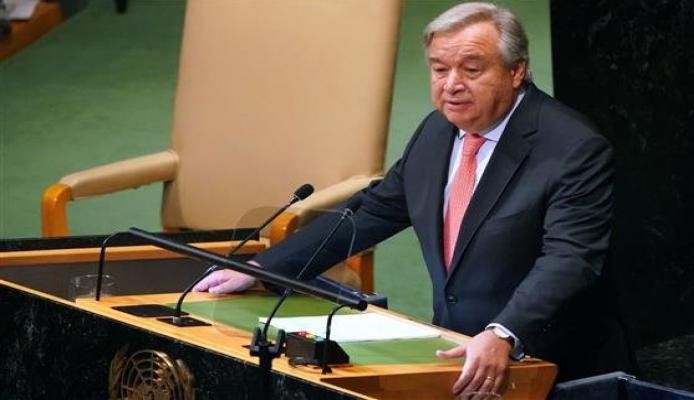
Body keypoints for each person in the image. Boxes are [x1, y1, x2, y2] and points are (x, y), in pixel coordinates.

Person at [195, 2, 633, 395]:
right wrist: (263, 268)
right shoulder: (437, 132)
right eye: (440, 70)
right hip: (456, 359)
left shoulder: (572, 147)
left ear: (516, 71)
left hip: (556, 368)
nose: (451, 85)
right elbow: (372, 211)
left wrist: (505, 332)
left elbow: (569, 259)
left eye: (472, 69)